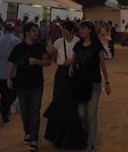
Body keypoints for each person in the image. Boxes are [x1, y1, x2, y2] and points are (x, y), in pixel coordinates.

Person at [7, 22, 51, 152]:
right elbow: (11, 63)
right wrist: (8, 78)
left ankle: (34, 139)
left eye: (36, 31)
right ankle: (27, 132)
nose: (36, 33)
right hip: (21, 85)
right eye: (33, 31)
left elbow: (48, 61)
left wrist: (37, 62)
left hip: (36, 84)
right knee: (25, 112)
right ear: (27, 33)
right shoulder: (18, 48)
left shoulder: (40, 47)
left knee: (35, 112)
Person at [43, 20, 86, 149]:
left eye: (65, 29)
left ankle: (70, 136)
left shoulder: (78, 42)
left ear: (72, 30)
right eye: (62, 28)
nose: (62, 31)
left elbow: (82, 56)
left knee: (71, 101)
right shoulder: (58, 42)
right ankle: (58, 135)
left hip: (73, 71)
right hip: (61, 73)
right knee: (59, 100)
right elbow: (51, 55)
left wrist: (73, 61)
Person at [71, 20, 111, 152]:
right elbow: (74, 59)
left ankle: (90, 143)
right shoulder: (78, 46)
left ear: (89, 30)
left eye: (83, 29)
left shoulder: (97, 45)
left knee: (91, 114)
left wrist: (107, 81)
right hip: (80, 83)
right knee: (82, 114)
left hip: (94, 83)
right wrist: (71, 66)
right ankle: (87, 135)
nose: (81, 31)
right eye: (80, 29)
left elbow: (103, 65)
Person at [0, 21, 21, 125]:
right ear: (14, 30)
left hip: (0, 73)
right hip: (12, 73)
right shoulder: (17, 41)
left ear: (3, 29)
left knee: (4, 95)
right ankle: (2, 110)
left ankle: (5, 117)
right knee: (12, 95)